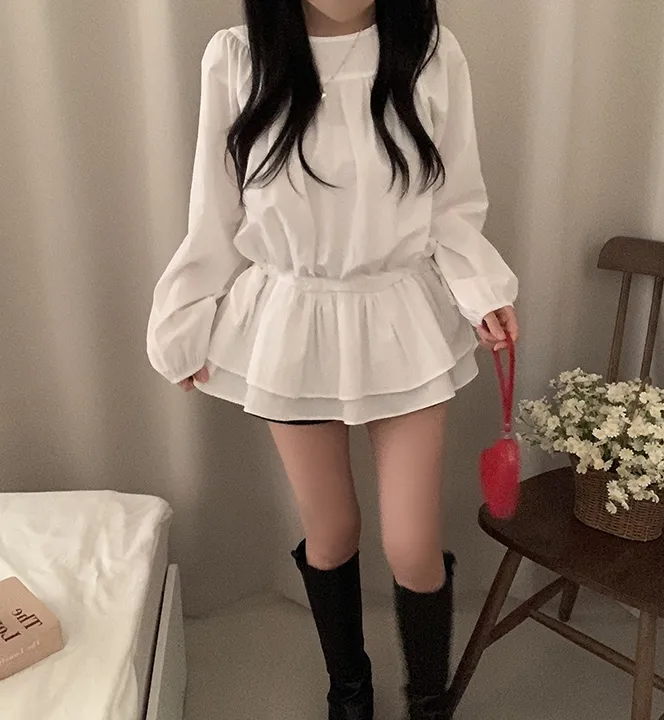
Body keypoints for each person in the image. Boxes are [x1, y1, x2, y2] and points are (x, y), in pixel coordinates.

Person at [147, 1, 519, 718]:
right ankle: (349, 692)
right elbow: (214, 212)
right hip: (294, 322)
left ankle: (428, 702)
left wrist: (481, 290)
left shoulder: (430, 54)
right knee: (333, 529)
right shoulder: (239, 58)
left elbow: (452, 203)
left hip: (399, 316)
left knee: (412, 544)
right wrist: (186, 320)